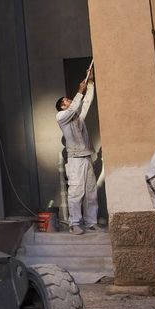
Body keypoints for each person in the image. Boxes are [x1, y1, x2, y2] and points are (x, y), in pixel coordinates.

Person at [55, 67, 99, 233]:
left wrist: (91, 83)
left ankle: (91, 222)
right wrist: (79, 91)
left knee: (91, 192)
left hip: (86, 157)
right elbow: (75, 106)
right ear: (62, 107)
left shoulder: (77, 117)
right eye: (66, 100)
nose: (69, 101)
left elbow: (86, 102)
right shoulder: (61, 118)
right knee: (76, 192)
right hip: (75, 160)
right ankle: (74, 224)